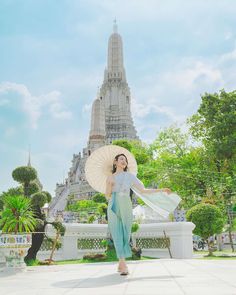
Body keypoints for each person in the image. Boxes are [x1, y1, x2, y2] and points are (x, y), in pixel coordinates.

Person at [105, 153, 172, 275]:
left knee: (126, 232)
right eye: (121, 159)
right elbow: (107, 195)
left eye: (125, 160)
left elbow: (143, 190)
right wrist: (110, 184)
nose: (124, 161)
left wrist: (162, 190)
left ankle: (121, 263)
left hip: (126, 204)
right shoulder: (110, 177)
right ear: (115, 162)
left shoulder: (129, 176)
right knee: (116, 233)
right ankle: (123, 262)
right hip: (113, 205)